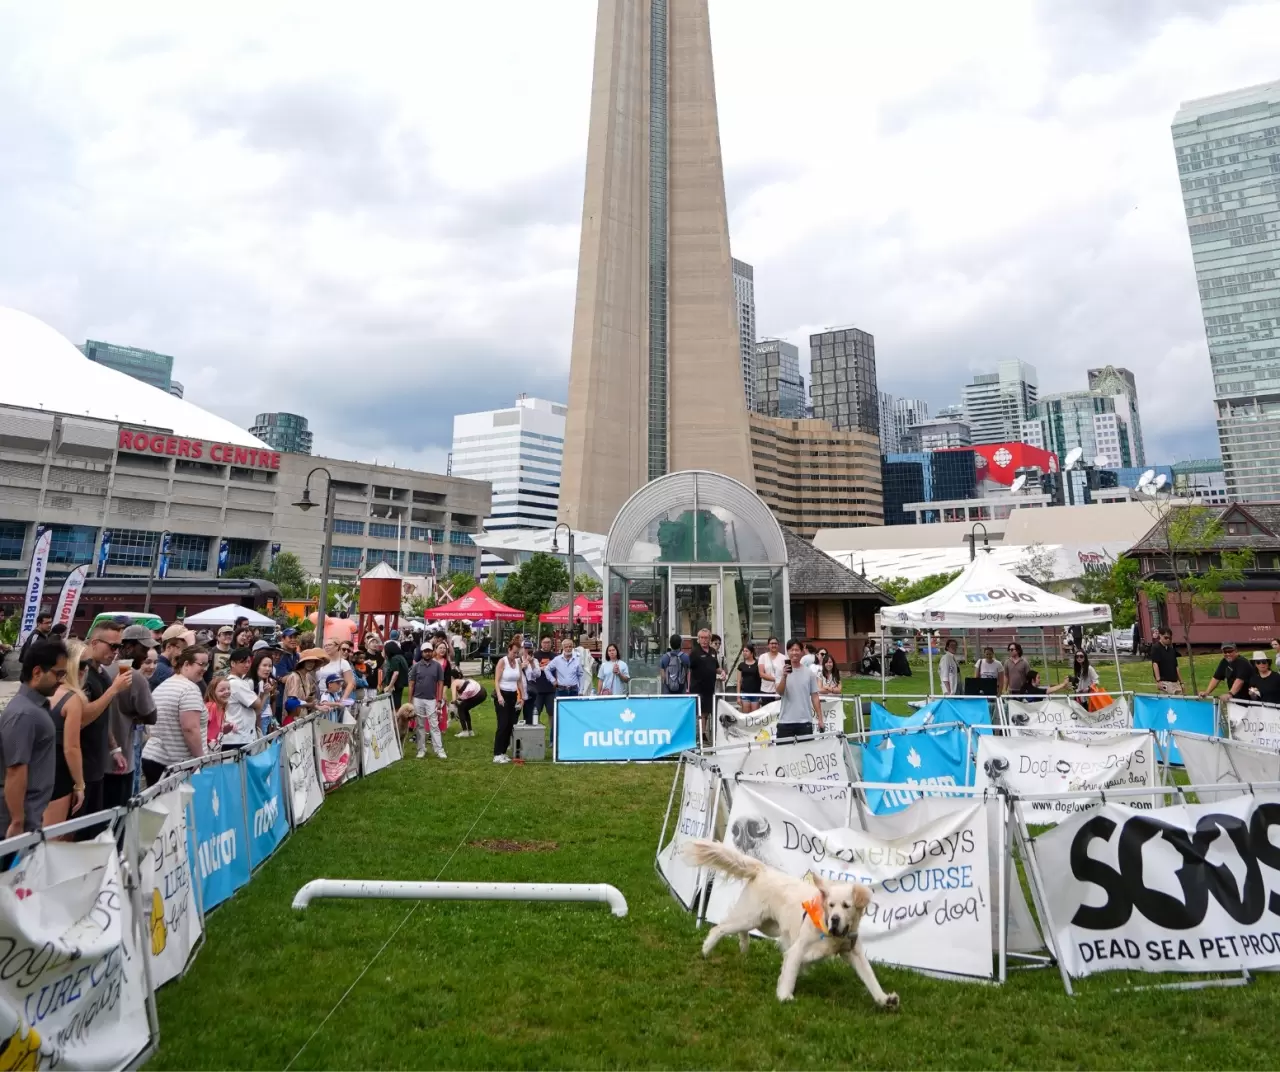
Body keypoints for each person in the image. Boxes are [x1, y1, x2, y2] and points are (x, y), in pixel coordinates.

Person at [0, 639, 65, 837]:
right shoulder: (24, 714)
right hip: (15, 825)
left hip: (28, 819)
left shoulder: (32, 709)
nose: (62, 680)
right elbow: (15, 770)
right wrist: (18, 821)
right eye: (58, 673)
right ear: (37, 672)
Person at [79, 619, 134, 825]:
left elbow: (103, 715)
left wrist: (114, 748)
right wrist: (114, 691)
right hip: (81, 765)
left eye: (119, 647)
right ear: (94, 643)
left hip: (97, 763)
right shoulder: (83, 674)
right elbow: (83, 718)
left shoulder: (102, 673)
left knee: (95, 826)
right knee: (77, 830)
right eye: (112, 646)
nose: (116, 652)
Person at [105, 625, 158, 806]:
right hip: (121, 761)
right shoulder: (133, 676)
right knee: (118, 820)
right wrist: (136, 714)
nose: (146, 655)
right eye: (143, 649)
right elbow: (151, 716)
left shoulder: (102, 671)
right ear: (128, 647)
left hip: (98, 761)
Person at [141, 647, 210, 786]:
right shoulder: (189, 689)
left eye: (207, 664)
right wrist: (201, 758)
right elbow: (190, 728)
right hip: (174, 764)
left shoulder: (164, 685)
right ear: (186, 664)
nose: (205, 669)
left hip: (154, 757)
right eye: (201, 664)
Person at [43, 638, 87, 828]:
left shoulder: (39, 691)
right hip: (57, 775)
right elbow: (72, 747)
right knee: (50, 840)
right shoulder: (72, 699)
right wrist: (79, 784)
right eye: (83, 664)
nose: (86, 670)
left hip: (30, 772)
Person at [775, 638, 824, 740]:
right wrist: (784, 676)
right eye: (791, 650)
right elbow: (779, 692)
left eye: (797, 650)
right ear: (787, 652)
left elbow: (815, 696)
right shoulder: (781, 670)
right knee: (783, 754)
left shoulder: (809, 672)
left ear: (802, 652)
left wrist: (820, 719)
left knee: (805, 754)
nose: (794, 653)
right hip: (785, 721)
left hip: (805, 722)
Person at [409, 641, 448, 760]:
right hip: (417, 698)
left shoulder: (437, 667)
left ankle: (439, 749)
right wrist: (410, 701)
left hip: (431, 699)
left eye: (429, 651)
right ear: (422, 652)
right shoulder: (416, 666)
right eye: (425, 651)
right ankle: (421, 749)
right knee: (419, 725)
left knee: (434, 725)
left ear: (432, 652)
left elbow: (441, 684)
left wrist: (439, 699)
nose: (427, 653)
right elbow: (411, 684)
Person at [222, 648, 263, 752]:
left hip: (239, 736)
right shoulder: (236, 683)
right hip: (238, 738)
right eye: (243, 662)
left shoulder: (237, 681)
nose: (247, 665)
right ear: (232, 663)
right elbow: (257, 704)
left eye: (249, 662)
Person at [491, 639, 524, 765]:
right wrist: (499, 696)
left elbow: (519, 680)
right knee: (503, 725)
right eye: (514, 653)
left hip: (513, 695)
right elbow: (497, 681)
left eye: (517, 653)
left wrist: (522, 696)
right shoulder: (502, 661)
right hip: (502, 694)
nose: (515, 655)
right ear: (509, 650)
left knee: (511, 725)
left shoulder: (518, 662)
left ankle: (503, 753)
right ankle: (497, 753)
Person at [689, 629, 722, 739]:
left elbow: (716, 667)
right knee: (700, 712)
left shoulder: (713, 652)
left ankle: (703, 733)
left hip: (710, 687)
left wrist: (722, 672)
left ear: (709, 639)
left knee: (706, 712)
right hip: (698, 687)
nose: (704, 640)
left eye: (706, 638)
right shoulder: (694, 653)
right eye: (702, 638)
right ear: (698, 639)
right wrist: (688, 687)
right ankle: (701, 735)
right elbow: (688, 669)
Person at [247, 650, 277, 734]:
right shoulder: (250, 683)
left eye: (270, 666)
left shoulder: (264, 682)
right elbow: (256, 711)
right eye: (264, 665)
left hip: (265, 721)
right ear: (257, 666)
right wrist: (266, 694)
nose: (267, 669)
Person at [549, 638, 587, 703]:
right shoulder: (557, 660)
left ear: (573, 647)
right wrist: (552, 680)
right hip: (561, 690)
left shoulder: (577, 660)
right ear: (563, 648)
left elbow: (581, 675)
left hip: (574, 690)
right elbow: (547, 669)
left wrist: (581, 691)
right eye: (566, 647)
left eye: (570, 647)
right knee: (560, 711)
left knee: (573, 711)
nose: (568, 649)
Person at [319, 638, 356, 705]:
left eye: (329, 645)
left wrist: (343, 699)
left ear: (337, 647)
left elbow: (350, 683)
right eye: (325, 645)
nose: (327, 647)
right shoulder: (322, 662)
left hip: (334, 697)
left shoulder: (343, 663)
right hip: (320, 696)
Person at [151, 624, 188, 689]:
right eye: (183, 649)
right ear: (168, 647)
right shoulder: (162, 669)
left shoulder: (164, 666)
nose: (183, 654)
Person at [1151, 629, 1183, 695]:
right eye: (1166, 637)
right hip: (1164, 681)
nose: (1168, 639)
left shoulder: (1171, 650)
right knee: (1167, 703)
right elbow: (1155, 664)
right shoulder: (1156, 647)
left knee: (1179, 702)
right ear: (1160, 636)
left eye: (1170, 638)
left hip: (1175, 682)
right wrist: (1158, 681)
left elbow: (1176, 667)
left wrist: (1181, 682)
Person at [380, 640, 410, 710]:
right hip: (400, 685)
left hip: (395, 686)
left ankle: (395, 719)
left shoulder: (394, 659)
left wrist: (389, 686)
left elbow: (396, 673)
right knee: (396, 705)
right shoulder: (400, 657)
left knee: (393, 706)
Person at [737, 643, 763, 712]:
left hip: (756, 693)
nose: (744, 653)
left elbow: (762, 678)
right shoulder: (741, 665)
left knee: (755, 716)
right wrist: (738, 696)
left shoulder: (758, 664)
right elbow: (739, 681)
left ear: (751, 653)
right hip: (745, 693)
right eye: (743, 651)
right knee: (746, 716)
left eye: (746, 651)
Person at [205, 677, 229, 747]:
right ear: (213, 693)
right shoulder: (212, 706)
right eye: (222, 690)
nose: (227, 692)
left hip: (214, 745)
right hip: (207, 746)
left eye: (228, 689)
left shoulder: (221, 707)